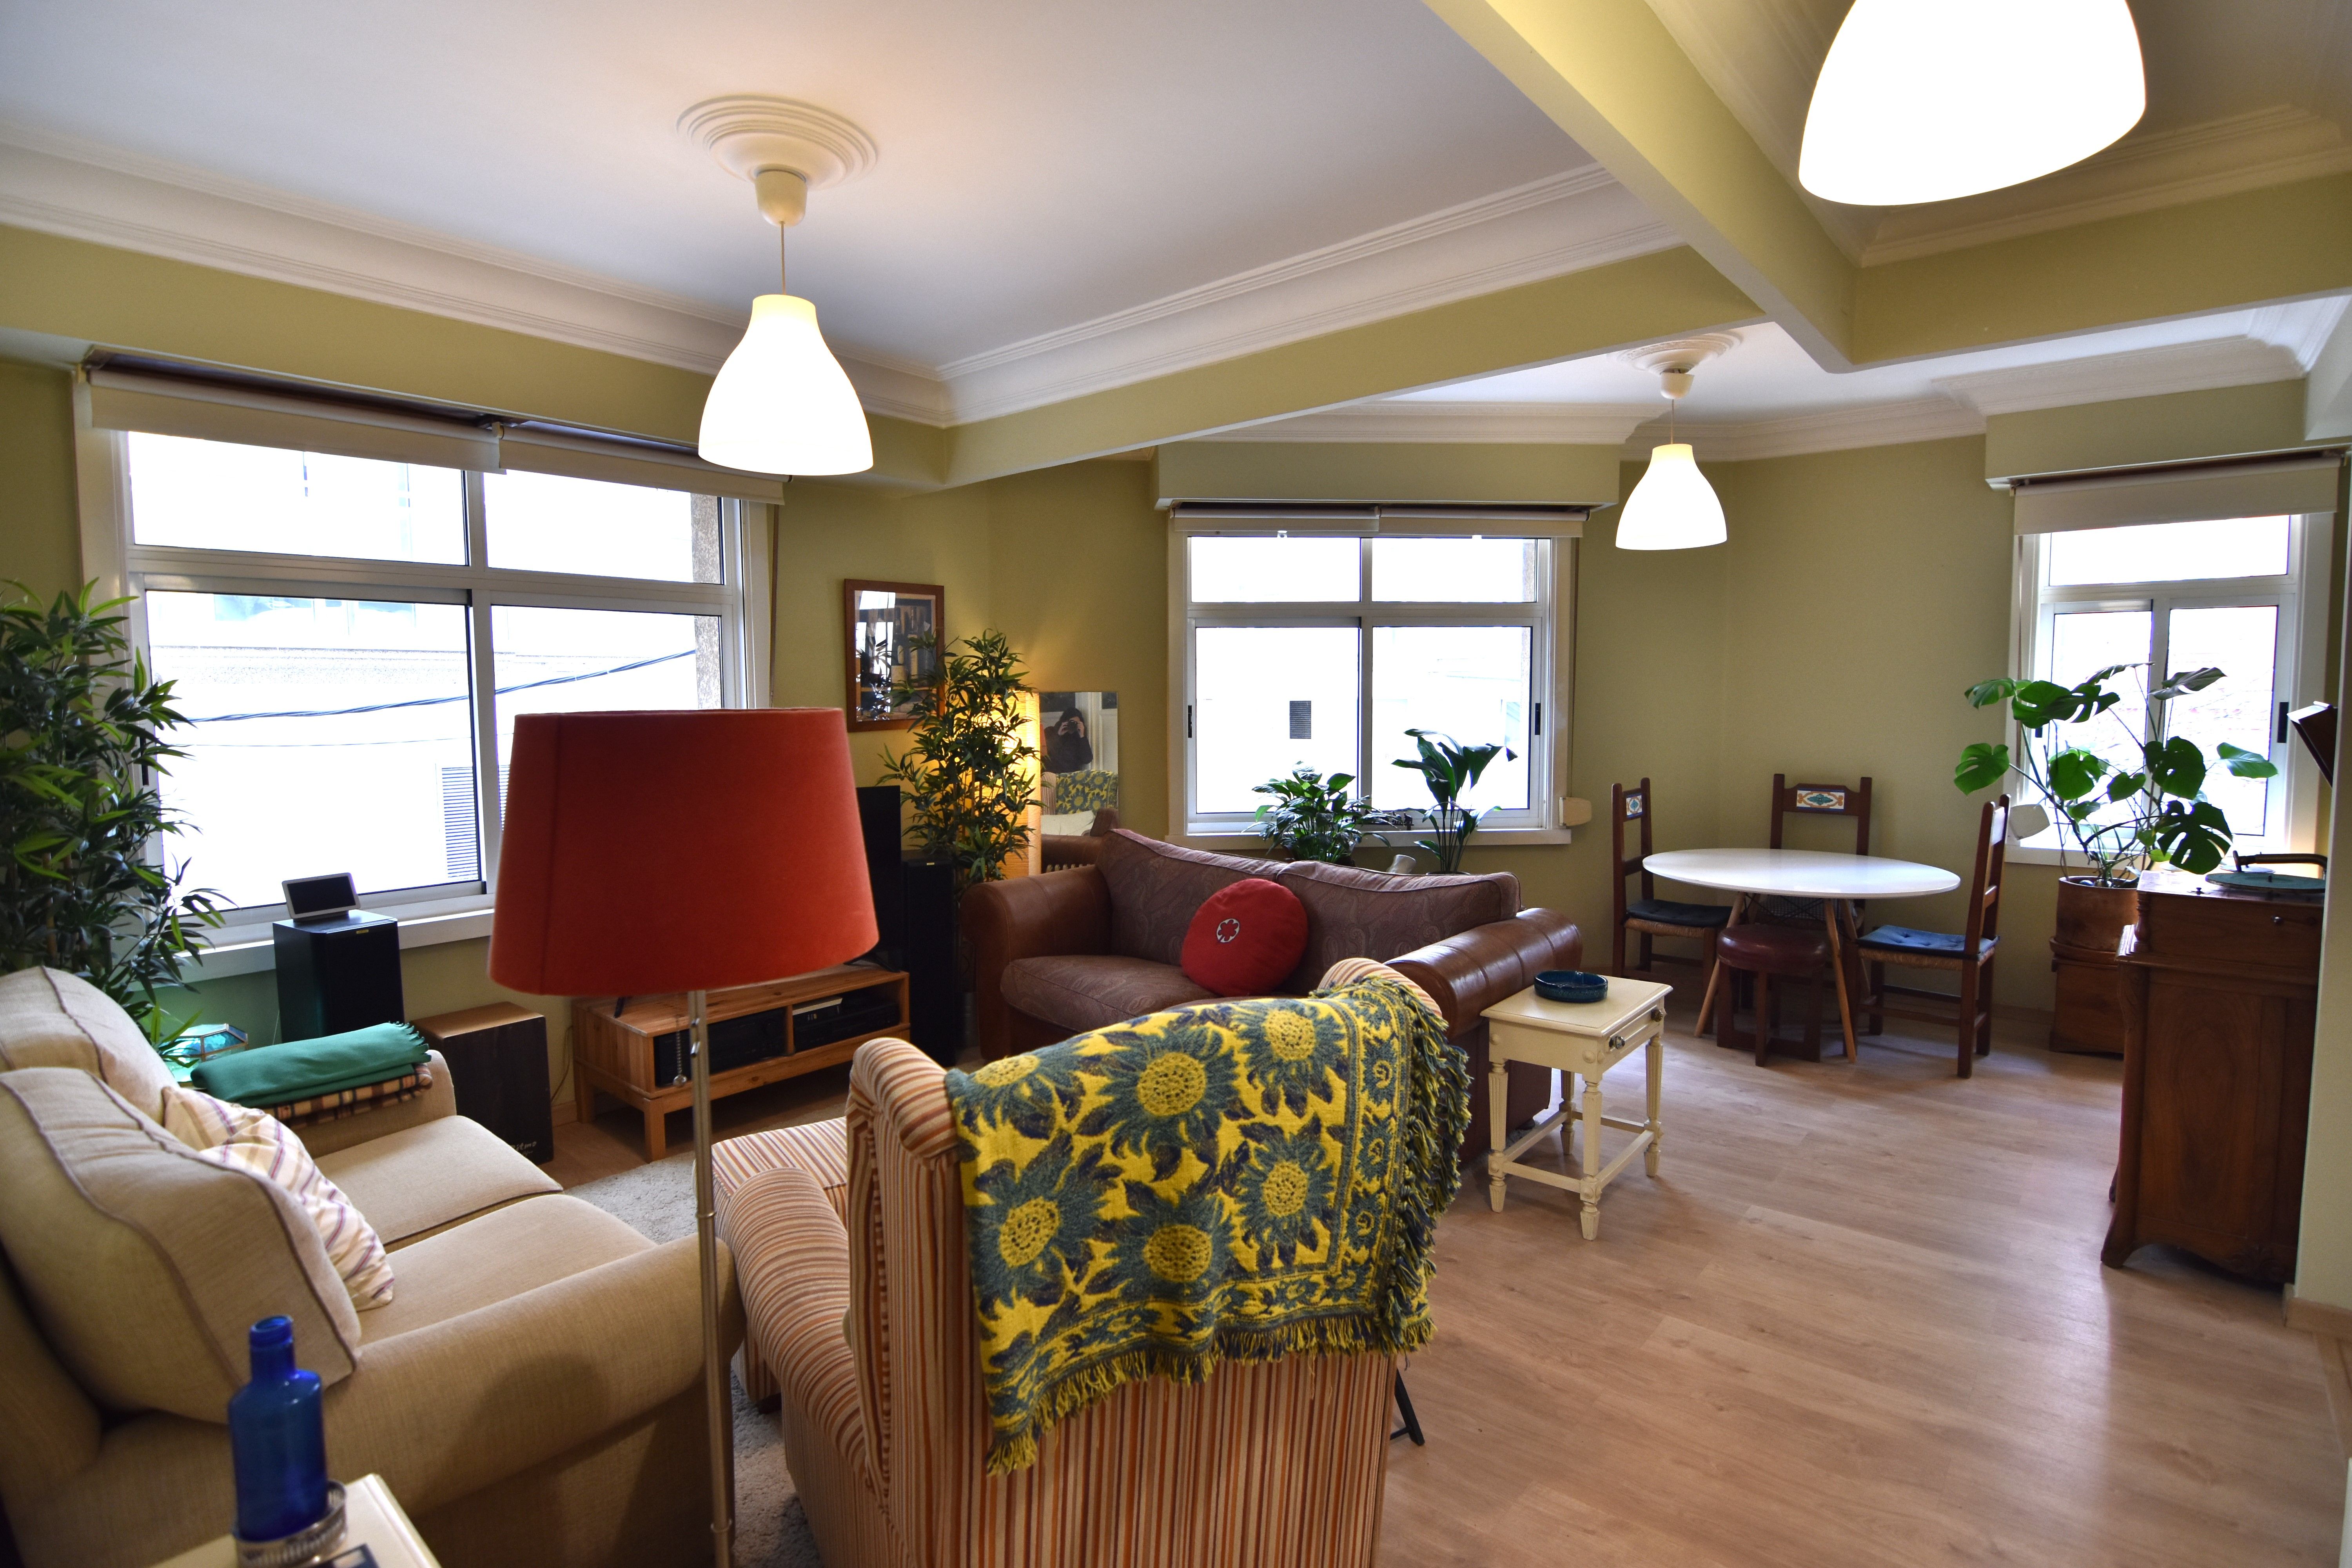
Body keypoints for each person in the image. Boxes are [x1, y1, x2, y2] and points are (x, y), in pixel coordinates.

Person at [1044, 711, 1093, 775]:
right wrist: (1058, 735)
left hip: (1071, 776)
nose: (1073, 725)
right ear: (1065, 722)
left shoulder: (1078, 738)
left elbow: (1087, 759)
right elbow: (1047, 753)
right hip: (1052, 773)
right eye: (1071, 722)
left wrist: (1082, 736)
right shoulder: (1051, 731)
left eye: (1076, 723)